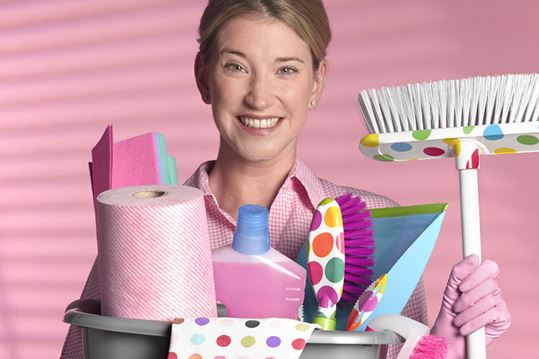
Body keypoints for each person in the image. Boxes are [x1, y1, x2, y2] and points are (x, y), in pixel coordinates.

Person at [60, 1, 511, 358]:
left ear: (317, 83)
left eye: (287, 69)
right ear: (203, 77)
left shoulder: (376, 226)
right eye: (236, 66)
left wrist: (446, 347)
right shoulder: (144, 230)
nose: (259, 97)